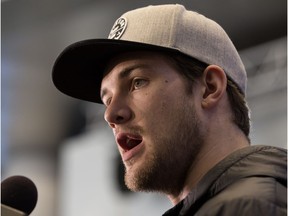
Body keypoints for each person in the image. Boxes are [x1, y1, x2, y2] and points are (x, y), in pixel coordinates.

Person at [52, 4, 287, 216]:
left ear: (209, 88)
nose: (110, 114)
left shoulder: (248, 207)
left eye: (137, 82)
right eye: (107, 99)